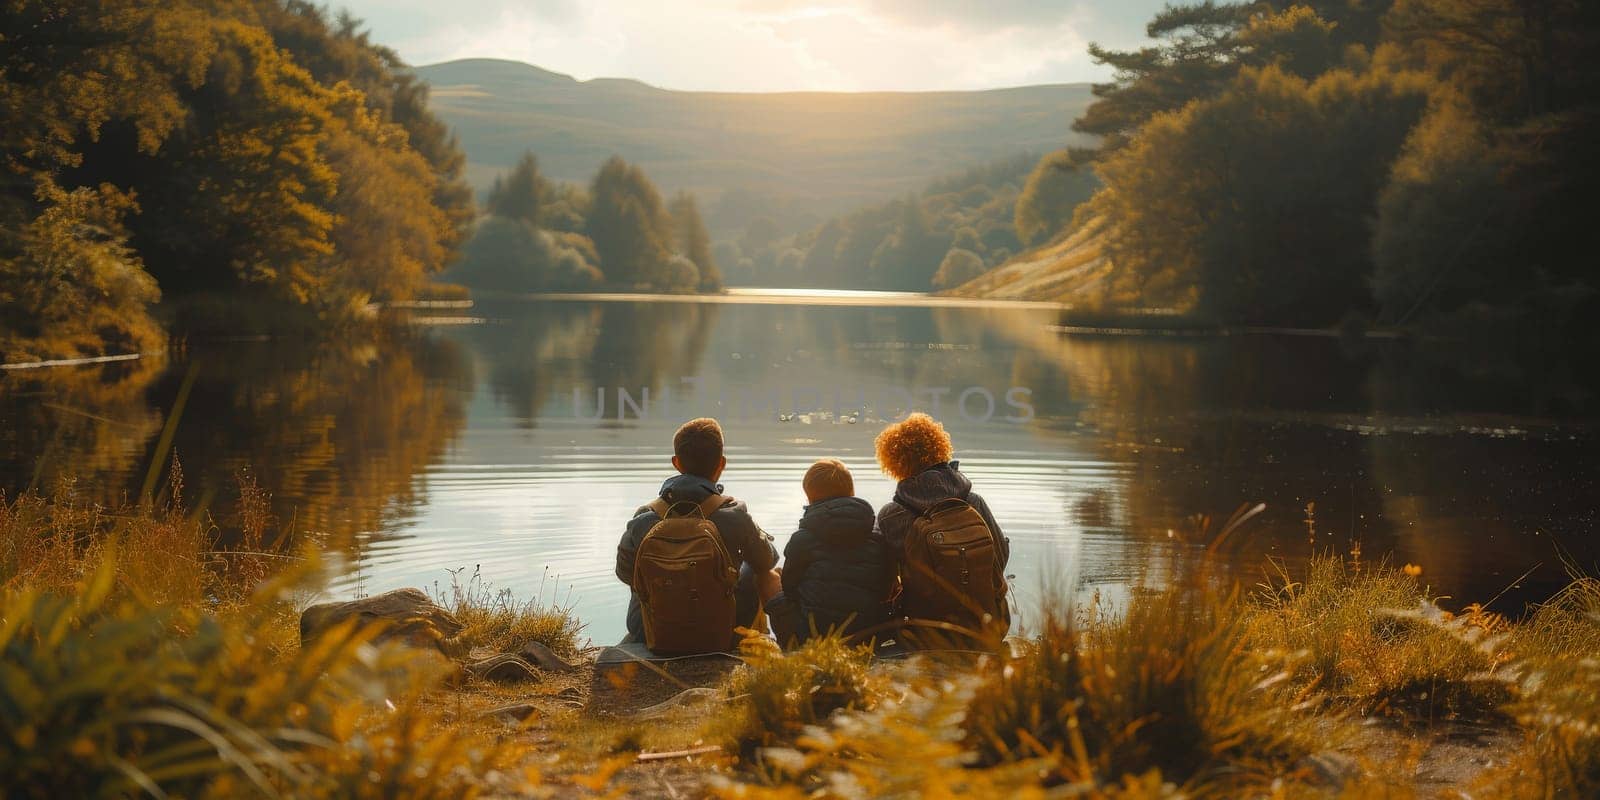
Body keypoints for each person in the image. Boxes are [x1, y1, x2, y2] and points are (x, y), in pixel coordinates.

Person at [616, 417, 780, 652]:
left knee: (640, 577)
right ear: (721, 463)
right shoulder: (735, 515)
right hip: (725, 627)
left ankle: (657, 635)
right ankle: (763, 642)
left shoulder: (645, 518)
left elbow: (624, 572)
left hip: (646, 628)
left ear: (676, 463)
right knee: (759, 570)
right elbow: (768, 560)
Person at [874, 412, 1010, 643]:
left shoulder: (891, 515)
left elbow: (883, 579)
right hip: (988, 625)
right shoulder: (973, 502)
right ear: (939, 449)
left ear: (894, 461)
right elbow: (1000, 556)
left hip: (925, 630)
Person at [767, 458, 894, 648]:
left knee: (774, 579)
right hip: (867, 636)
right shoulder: (878, 536)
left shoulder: (802, 539)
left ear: (809, 498)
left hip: (811, 636)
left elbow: (790, 589)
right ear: (851, 492)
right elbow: (885, 589)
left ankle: (786, 646)